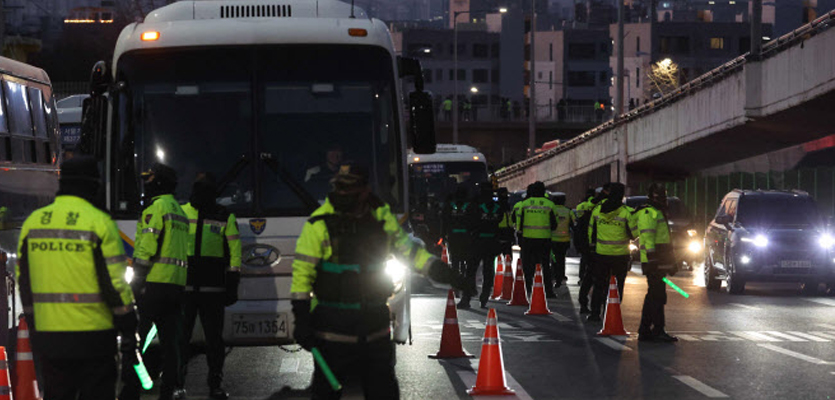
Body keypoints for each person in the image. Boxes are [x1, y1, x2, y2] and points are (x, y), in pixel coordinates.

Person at [290, 161, 465, 400]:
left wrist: (445, 273)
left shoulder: (381, 220)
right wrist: (301, 318)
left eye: (349, 188)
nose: (344, 194)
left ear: (365, 190)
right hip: (332, 332)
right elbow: (302, 275)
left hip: (374, 331)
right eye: (340, 188)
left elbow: (410, 253)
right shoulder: (319, 224)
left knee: (383, 393)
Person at [16, 156, 138, 399]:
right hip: (95, 340)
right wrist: (128, 329)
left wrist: (34, 324)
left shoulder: (32, 224)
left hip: (50, 341)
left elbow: (25, 285)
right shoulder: (100, 223)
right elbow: (115, 286)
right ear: (93, 184)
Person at [121, 163, 190, 400]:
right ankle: (168, 392)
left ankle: (130, 390)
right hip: (175, 286)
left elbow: (146, 247)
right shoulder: (179, 212)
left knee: (134, 341)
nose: (146, 184)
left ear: (159, 182)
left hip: (153, 285)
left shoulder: (156, 209)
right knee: (171, 345)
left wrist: (136, 281)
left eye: (149, 180)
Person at [179, 174, 242, 398]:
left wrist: (233, 281)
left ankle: (215, 383)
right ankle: (178, 382)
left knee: (214, 341)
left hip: (211, 289)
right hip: (186, 288)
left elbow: (235, 250)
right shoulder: (181, 213)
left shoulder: (224, 215)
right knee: (182, 340)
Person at [635, 184, 679, 342]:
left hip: (660, 261)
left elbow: (665, 242)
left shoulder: (658, 212)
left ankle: (646, 329)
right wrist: (653, 260)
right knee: (656, 296)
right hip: (654, 262)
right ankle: (656, 329)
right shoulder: (649, 213)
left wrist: (672, 262)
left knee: (655, 296)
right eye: (661, 196)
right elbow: (647, 239)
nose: (664, 199)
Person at [586, 183, 632, 322]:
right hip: (621, 255)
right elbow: (634, 234)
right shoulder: (627, 212)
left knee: (599, 284)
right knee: (618, 285)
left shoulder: (597, 210)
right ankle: (612, 313)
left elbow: (591, 232)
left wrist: (592, 248)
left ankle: (595, 313)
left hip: (601, 254)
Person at [515, 181, 557, 297]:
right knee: (545, 265)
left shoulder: (525, 204)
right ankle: (548, 291)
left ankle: (528, 287)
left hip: (528, 239)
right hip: (544, 239)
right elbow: (554, 225)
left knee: (528, 265)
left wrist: (520, 236)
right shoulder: (549, 204)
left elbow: (520, 223)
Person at [442, 184, 478, 309]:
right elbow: (475, 222)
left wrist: (443, 236)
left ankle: (456, 286)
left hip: (453, 240)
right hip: (468, 240)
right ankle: (467, 294)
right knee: (469, 269)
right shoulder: (471, 206)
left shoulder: (449, 206)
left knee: (455, 264)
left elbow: (444, 222)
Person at [471, 182, 502, 308]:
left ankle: (468, 295)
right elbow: (499, 220)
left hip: (478, 241)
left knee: (472, 269)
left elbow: (471, 222)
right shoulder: (497, 207)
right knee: (488, 271)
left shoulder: (476, 205)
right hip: (492, 241)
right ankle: (484, 296)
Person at [574, 187, 605, 313]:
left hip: (592, 250)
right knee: (595, 278)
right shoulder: (597, 211)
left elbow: (578, 229)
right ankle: (594, 305)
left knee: (589, 277)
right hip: (597, 251)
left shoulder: (586, 208)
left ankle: (586, 304)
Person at [549, 195, 572, 291]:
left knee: (553, 259)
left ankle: (555, 275)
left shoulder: (552, 210)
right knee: (562, 259)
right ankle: (561, 276)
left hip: (553, 239)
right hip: (565, 240)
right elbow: (573, 223)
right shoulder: (568, 211)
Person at [495, 188, 515, 258]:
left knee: (507, 254)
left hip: (507, 230)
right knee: (502, 253)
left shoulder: (507, 205)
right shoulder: (499, 205)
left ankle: (508, 267)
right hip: (501, 231)